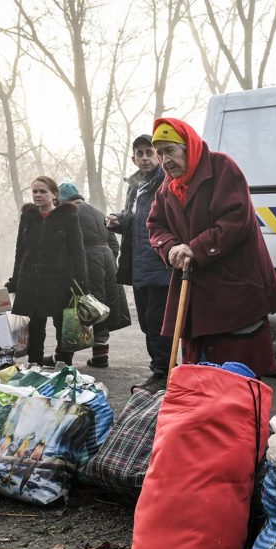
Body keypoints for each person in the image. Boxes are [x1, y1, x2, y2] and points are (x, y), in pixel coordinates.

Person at [146, 117, 276, 378]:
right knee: (199, 379)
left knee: (236, 378)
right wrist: (171, 247)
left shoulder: (222, 168)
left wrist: (195, 249)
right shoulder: (167, 188)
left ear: (188, 146)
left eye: (170, 151)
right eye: (160, 153)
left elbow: (237, 219)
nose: (164, 160)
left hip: (234, 291)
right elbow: (155, 226)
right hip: (195, 295)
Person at [106, 135, 173, 390]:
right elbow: (137, 221)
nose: (144, 158)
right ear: (133, 157)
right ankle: (161, 369)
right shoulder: (136, 185)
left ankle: (163, 373)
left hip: (159, 264)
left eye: (149, 152)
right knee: (146, 322)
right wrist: (119, 221)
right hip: (137, 265)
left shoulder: (165, 182)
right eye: (139, 153)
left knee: (157, 321)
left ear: (158, 156)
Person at [7, 176, 88, 366]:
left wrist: (82, 281)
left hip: (59, 279)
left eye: (43, 191)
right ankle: (34, 363)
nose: (38, 195)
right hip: (31, 279)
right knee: (35, 324)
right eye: (35, 191)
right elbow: (20, 250)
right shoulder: (28, 216)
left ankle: (64, 362)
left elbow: (78, 251)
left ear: (54, 194)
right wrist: (15, 279)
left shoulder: (68, 216)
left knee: (63, 323)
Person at [58, 181, 131, 369]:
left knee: (78, 307)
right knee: (101, 305)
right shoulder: (98, 213)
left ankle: (64, 357)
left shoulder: (67, 214)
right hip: (107, 262)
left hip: (86, 262)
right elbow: (114, 244)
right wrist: (109, 260)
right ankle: (100, 356)